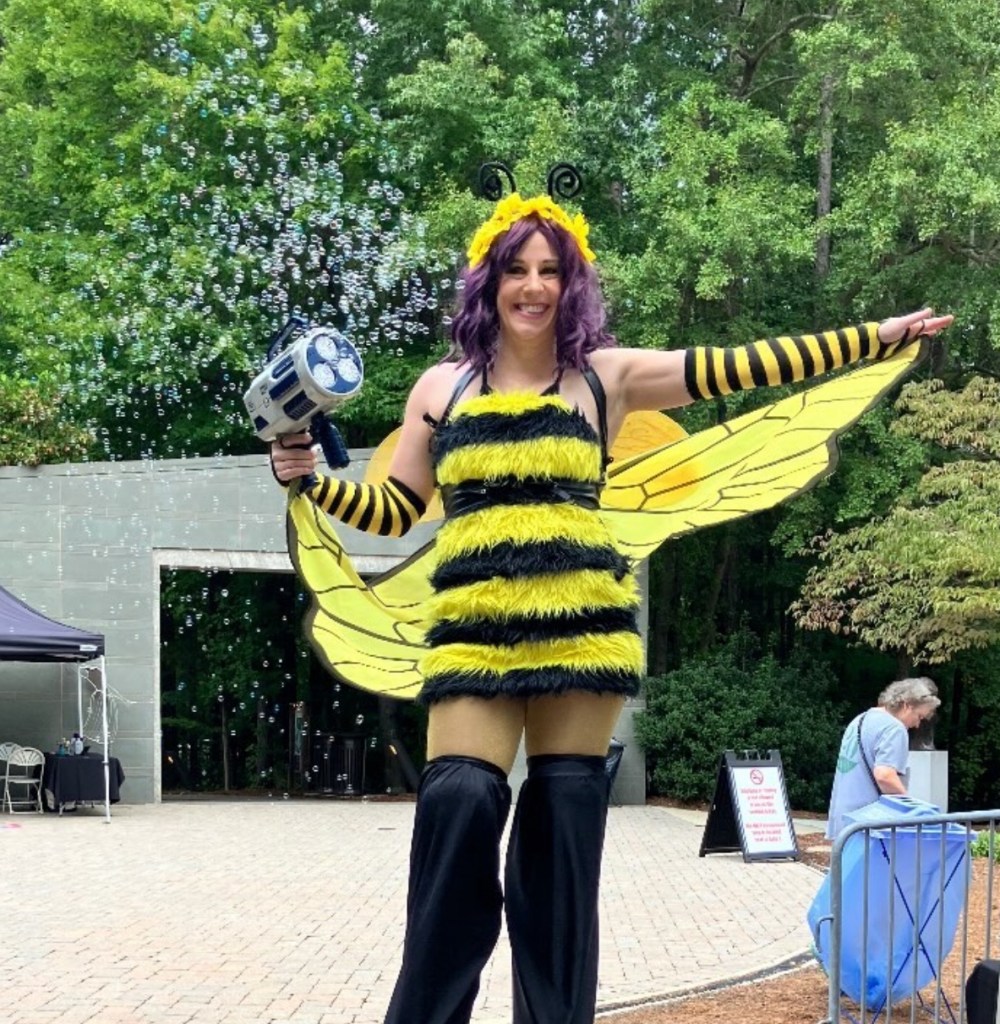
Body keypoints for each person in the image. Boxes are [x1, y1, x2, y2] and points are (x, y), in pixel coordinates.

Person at [271, 185, 953, 1024]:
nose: (533, 286)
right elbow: (396, 510)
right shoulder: (440, 388)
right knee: (458, 807)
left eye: (550, 270)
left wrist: (873, 337)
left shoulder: (606, 377)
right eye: (515, 269)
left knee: (561, 847)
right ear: (488, 280)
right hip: (473, 635)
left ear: (572, 283)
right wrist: (312, 482)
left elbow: (743, 364)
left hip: (583, 631)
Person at [826, 677, 942, 839]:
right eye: (919, 717)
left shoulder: (860, 719)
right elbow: (884, 776)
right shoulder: (894, 728)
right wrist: (912, 808)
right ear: (907, 705)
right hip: (871, 828)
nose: (917, 725)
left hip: (844, 822)